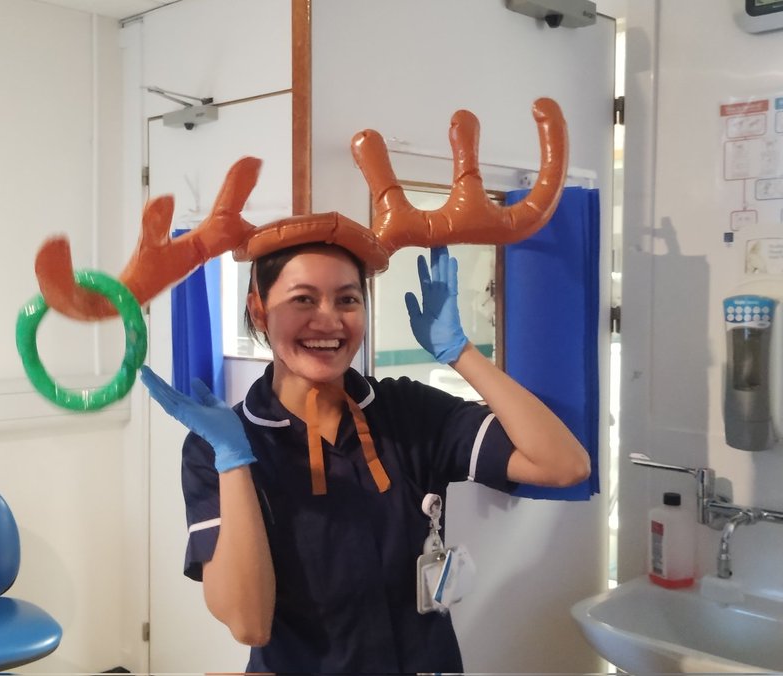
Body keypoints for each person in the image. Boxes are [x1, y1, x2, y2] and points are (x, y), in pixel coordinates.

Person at [139, 242, 589, 674]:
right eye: (303, 299)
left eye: (348, 299)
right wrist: (235, 460)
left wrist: (462, 353)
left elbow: (564, 465)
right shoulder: (215, 449)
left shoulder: (407, 411)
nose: (329, 320)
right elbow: (249, 624)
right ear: (259, 309)